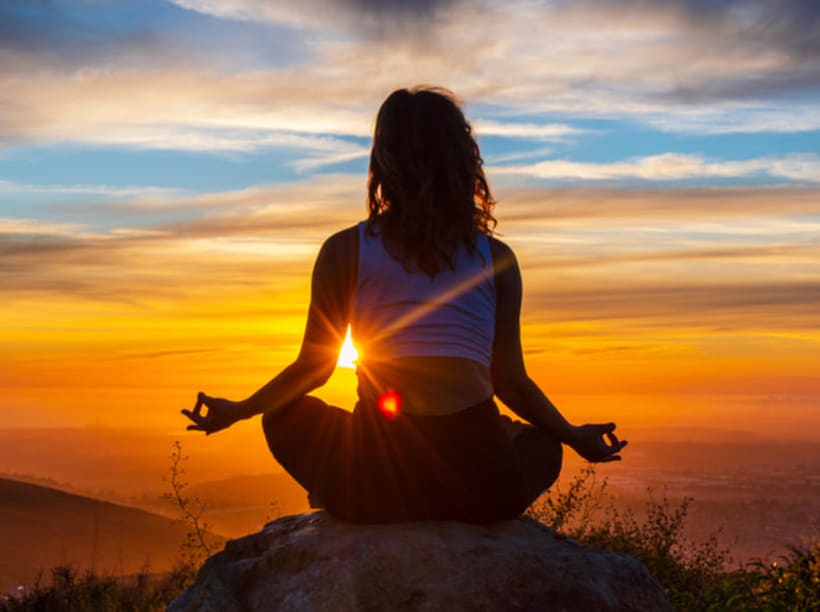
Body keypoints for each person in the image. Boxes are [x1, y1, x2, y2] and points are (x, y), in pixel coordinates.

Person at [181, 86, 627, 523]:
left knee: (283, 415)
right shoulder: (497, 260)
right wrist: (572, 435)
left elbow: (314, 370)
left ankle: (347, 493)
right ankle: (445, 502)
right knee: (543, 446)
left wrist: (239, 410)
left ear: (384, 163)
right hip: (484, 491)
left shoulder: (345, 250)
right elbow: (510, 382)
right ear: (465, 162)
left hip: (376, 483)